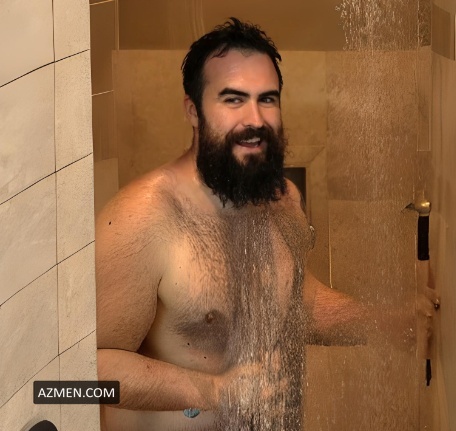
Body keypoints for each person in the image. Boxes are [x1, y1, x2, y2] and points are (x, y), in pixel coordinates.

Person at [95, 18, 438, 431]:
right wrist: (215, 392)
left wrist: (385, 323)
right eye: (233, 99)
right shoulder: (143, 219)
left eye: (267, 99)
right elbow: (73, 381)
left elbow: (295, 305)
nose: (255, 119)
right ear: (193, 110)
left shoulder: (283, 201)